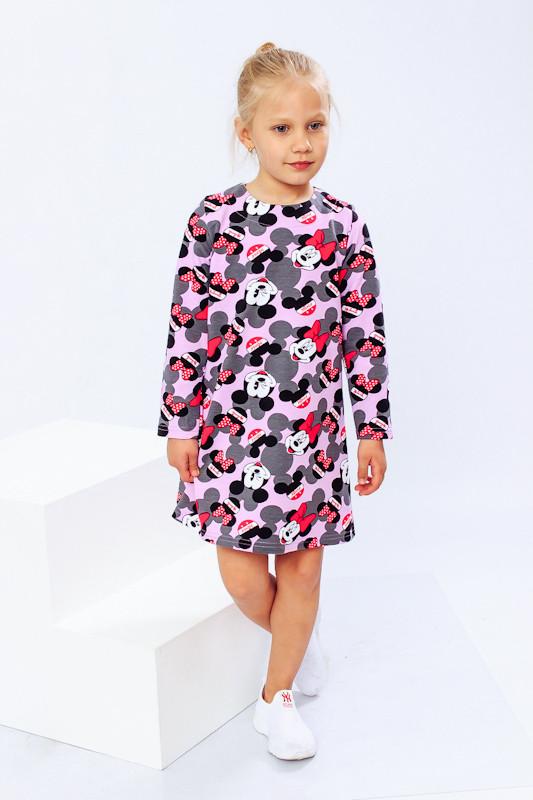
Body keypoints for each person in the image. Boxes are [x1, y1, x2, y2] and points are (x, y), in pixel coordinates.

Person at [157, 42, 393, 760]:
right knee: (240, 574)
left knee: (304, 569)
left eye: (314, 126)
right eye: (282, 128)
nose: (301, 143)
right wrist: (180, 422)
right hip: (230, 436)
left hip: (312, 437)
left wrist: (371, 429)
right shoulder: (213, 220)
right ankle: (295, 636)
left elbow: (364, 334)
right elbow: (188, 328)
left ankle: (276, 696)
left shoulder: (341, 225)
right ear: (246, 133)